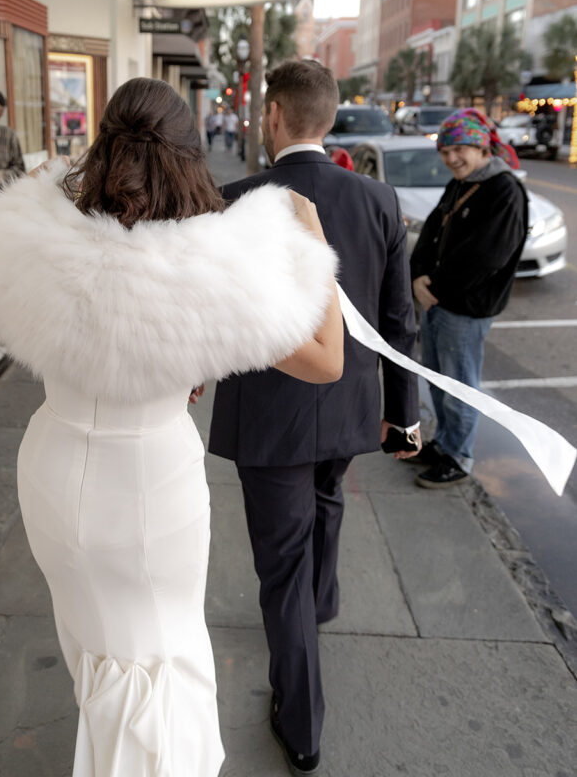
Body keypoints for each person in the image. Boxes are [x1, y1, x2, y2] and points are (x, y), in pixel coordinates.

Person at [0, 77, 344, 777]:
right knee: (160, 652)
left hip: (54, 463)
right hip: (150, 483)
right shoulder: (207, 263)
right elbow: (325, 361)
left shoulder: (34, 232)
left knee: (96, 643)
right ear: (186, 152)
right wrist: (312, 239)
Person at [208, 59, 420, 775]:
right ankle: (321, 601)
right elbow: (398, 319)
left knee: (281, 565)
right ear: (327, 120)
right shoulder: (377, 200)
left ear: (272, 117)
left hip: (273, 415)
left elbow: (214, 314)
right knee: (328, 501)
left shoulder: (235, 201)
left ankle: (300, 723)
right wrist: (405, 414)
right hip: (352, 403)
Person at [409, 107, 528, 489]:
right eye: (445, 152)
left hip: (464, 309)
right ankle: (444, 444)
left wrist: (433, 289)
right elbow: (431, 233)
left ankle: (458, 458)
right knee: (441, 382)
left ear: (481, 146)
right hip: (437, 302)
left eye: (460, 148)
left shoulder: (503, 189)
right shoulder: (462, 183)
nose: (451, 158)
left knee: (459, 385)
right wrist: (417, 277)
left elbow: (486, 257)